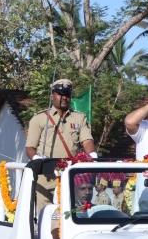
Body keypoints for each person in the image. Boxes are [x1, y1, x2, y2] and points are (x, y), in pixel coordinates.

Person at [25, 79, 97, 210]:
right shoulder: (39, 118)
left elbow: (87, 140)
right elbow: (30, 148)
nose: (64, 98)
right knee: (45, 215)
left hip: (70, 176)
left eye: (67, 95)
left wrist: (93, 156)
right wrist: (37, 160)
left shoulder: (79, 118)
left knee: (67, 215)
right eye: (60, 94)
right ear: (52, 95)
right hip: (46, 177)